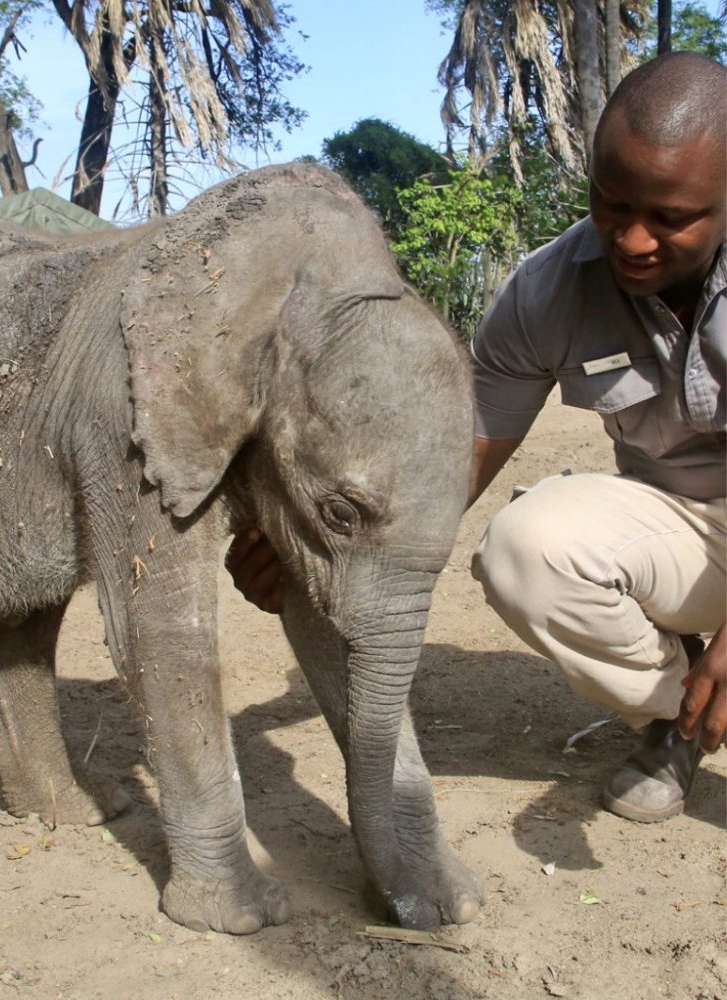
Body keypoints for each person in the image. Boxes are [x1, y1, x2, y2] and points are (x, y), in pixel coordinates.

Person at [226, 51, 726, 824]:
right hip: (686, 533)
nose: (630, 239)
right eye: (611, 201)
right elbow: (459, 459)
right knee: (528, 549)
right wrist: (317, 544)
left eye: (670, 217)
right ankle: (681, 718)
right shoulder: (551, 287)